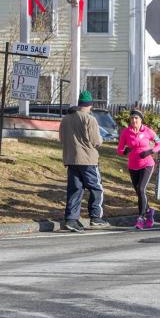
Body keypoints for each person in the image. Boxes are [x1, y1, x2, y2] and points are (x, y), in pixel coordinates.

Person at [59, 90, 108, 232]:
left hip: (71, 159)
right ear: (89, 105)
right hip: (88, 160)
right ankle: (96, 217)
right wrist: (101, 140)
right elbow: (96, 141)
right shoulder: (89, 119)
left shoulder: (66, 119)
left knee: (75, 189)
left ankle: (71, 219)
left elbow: (62, 138)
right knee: (96, 188)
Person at [116, 109, 160, 230]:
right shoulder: (126, 132)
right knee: (138, 191)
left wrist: (150, 151)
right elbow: (119, 150)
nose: (133, 120)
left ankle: (141, 218)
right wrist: (124, 151)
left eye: (136, 118)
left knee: (141, 188)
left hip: (147, 164)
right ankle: (149, 211)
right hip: (133, 165)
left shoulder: (147, 131)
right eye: (132, 118)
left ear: (141, 119)